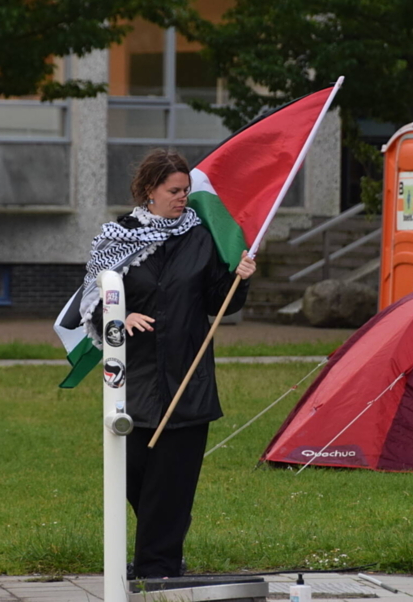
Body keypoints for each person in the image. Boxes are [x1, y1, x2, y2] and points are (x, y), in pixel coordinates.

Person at [82, 149, 256, 579]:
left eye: (186, 190)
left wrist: (241, 276)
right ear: (148, 191)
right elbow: (92, 300)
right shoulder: (116, 235)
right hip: (134, 378)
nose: (183, 198)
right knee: (134, 472)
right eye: (174, 191)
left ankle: (156, 568)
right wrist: (119, 314)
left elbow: (219, 301)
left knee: (173, 482)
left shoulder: (202, 234)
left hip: (188, 377)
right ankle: (162, 549)